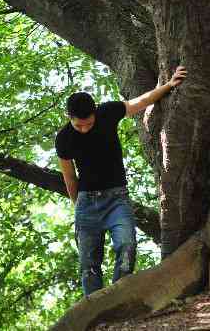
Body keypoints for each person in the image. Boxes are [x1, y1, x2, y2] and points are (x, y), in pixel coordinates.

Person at [55, 66, 187, 296]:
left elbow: (141, 101)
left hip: (117, 198)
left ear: (95, 112)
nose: (84, 129)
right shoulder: (64, 139)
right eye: (79, 125)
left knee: (126, 245)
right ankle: (94, 310)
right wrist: (78, 207)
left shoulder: (108, 113)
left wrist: (168, 85)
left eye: (88, 123)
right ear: (69, 118)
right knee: (88, 264)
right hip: (86, 204)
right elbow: (69, 177)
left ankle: (118, 298)